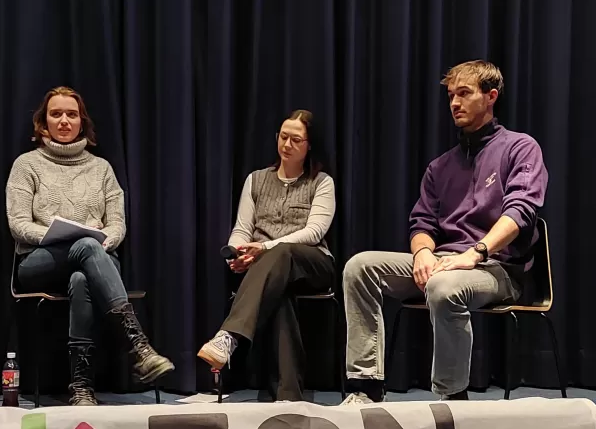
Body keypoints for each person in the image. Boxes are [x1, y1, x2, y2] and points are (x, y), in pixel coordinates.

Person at [340, 60, 548, 404]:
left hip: (497, 268)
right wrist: (422, 252)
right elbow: (422, 223)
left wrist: (475, 253)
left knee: (443, 287)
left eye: (464, 93)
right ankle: (366, 388)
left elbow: (520, 212)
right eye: (451, 95)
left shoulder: (520, 147)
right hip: (444, 261)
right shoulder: (440, 166)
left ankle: (452, 399)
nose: (454, 103)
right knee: (359, 267)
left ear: (491, 96)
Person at [6, 86, 173, 405]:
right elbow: (18, 224)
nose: (64, 121)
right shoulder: (27, 165)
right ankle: (138, 346)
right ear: (43, 122)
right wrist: (61, 235)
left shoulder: (101, 169)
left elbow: (117, 223)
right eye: (56, 114)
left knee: (82, 277)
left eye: (71, 114)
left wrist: (106, 239)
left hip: (96, 259)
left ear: (82, 121)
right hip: (40, 262)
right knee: (84, 245)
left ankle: (81, 387)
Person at [197, 110, 337, 401]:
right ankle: (289, 395)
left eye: (296, 140)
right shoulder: (256, 180)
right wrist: (237, 253)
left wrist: (264, 247)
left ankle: (230, 335)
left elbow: (314, 232)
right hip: (269, 270)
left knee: (282, 252)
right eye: (283, 137)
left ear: (309, 145)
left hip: (312, 264)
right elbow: (242, 229)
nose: (287, 144)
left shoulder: (321, 182)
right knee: (280, 295)